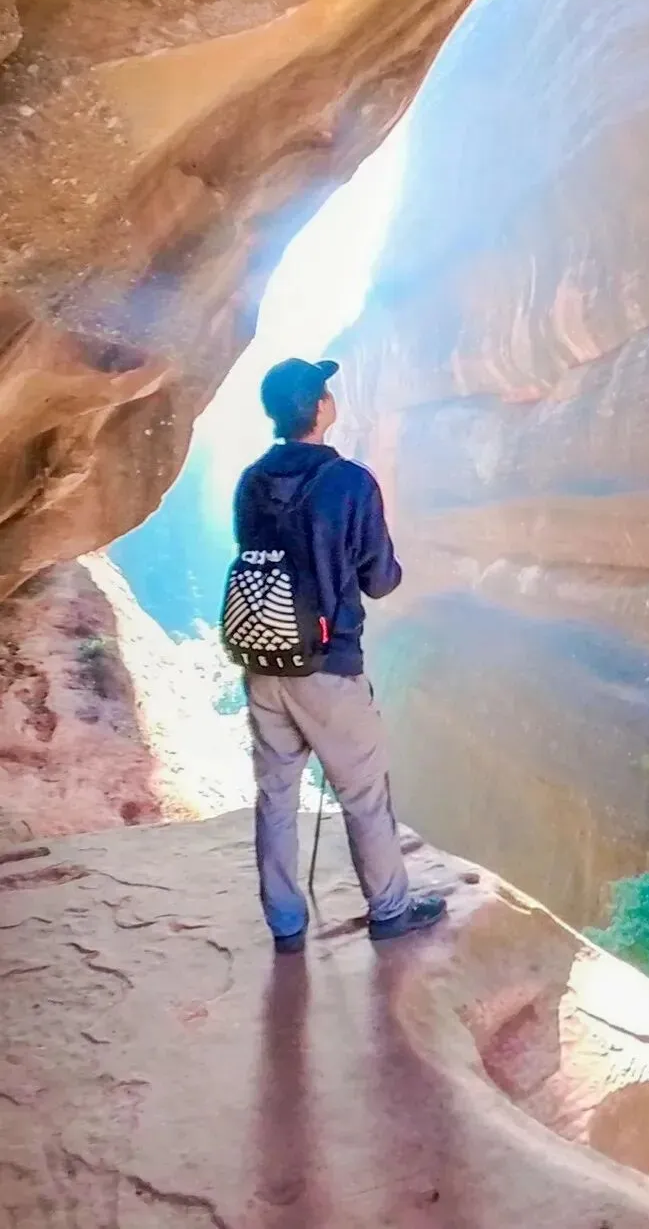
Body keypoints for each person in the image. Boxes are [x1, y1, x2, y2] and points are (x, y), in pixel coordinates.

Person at [233, 355, 447, 952]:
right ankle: (390, 912)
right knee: (363, 795)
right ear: (322, 408)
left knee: (276, 797)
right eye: (326, 392)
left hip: (263, 659)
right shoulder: (350, 482)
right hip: (328, 667)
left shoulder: (251, 481)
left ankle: (286, 925)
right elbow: (379, 580)